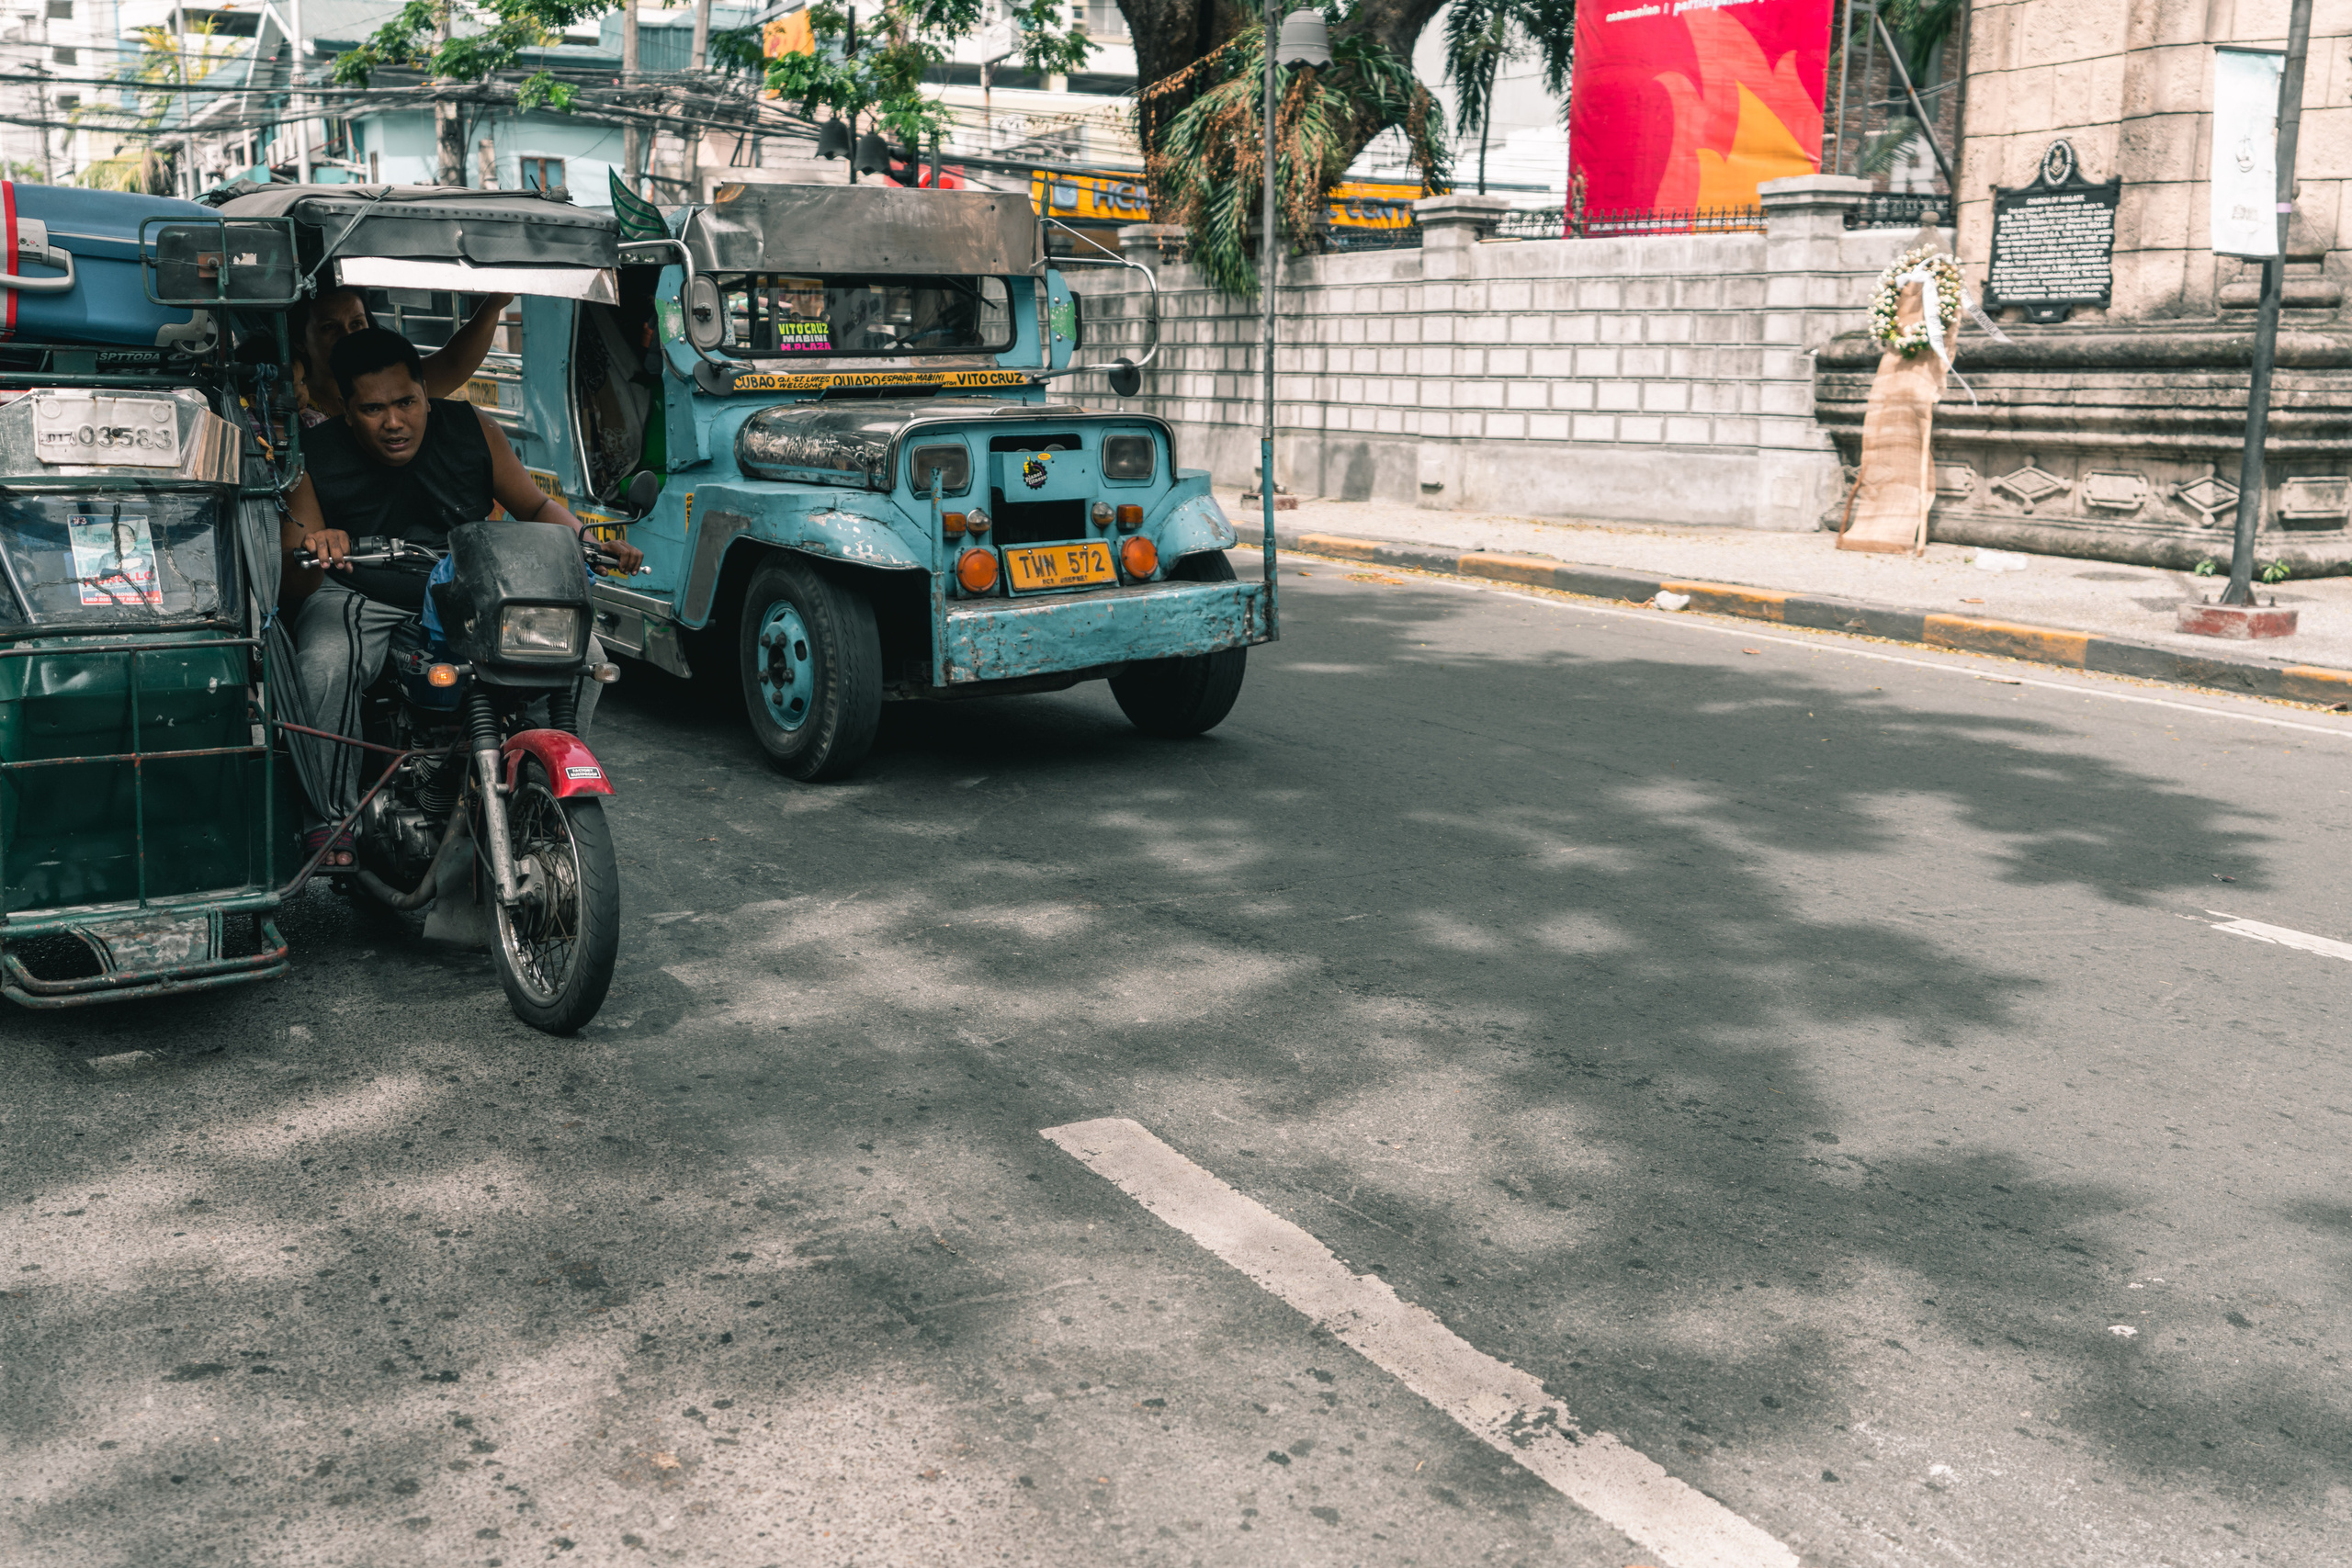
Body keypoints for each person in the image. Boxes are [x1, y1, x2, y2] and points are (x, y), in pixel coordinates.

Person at [280, 327, 643, 851]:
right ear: (343, 406)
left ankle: (536, 786)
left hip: (466, 588)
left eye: (407, 402)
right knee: (325, 663)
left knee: (582, 653)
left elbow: (536, 508)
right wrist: (320, 543)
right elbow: (298, 573)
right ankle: (330, 815)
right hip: (360, 592)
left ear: (427, 392)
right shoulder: (310, 455)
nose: (394, 422)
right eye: (373, 409)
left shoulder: (474, 430)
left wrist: (587, 540)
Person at [293, 287, 514, 421]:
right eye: (329, 327)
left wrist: (493, 306)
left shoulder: (394, 384)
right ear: (299, 341)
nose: (347, 335)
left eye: (357, 324)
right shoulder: (291, 400)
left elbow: (453, 363)